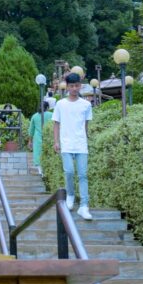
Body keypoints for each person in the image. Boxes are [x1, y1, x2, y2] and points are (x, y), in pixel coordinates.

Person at [52, 73, 94, 220]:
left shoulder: (86, 105)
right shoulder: (60, 104)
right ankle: (70, 195)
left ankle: (84, 206)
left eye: (77, 85)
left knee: (83, 175)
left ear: (80, 85)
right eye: (71, 86)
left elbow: (86, 125)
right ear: (67, 86)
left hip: (81, 144)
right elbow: (56, 124)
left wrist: (88, 139)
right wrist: (56, 141)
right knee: (69, 172)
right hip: (67, 144)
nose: (74, 88)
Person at [28, 104, 53, 176]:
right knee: (48, 154)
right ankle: (48, 171)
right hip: (49, 137)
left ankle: (40, 172)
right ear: (47, 107)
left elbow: (31, 130)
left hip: (37, 138)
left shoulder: (35, 116)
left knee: (38, 154)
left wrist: (30, 141)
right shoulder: (51, 115)